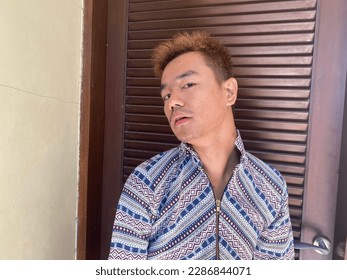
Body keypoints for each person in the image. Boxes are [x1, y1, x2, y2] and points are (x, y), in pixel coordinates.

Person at [108, 31, 294, 260]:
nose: (173, 101)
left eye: (188, 84)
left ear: (229, 92)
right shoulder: (148, 182)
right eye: (166, 96)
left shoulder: (270, 186)